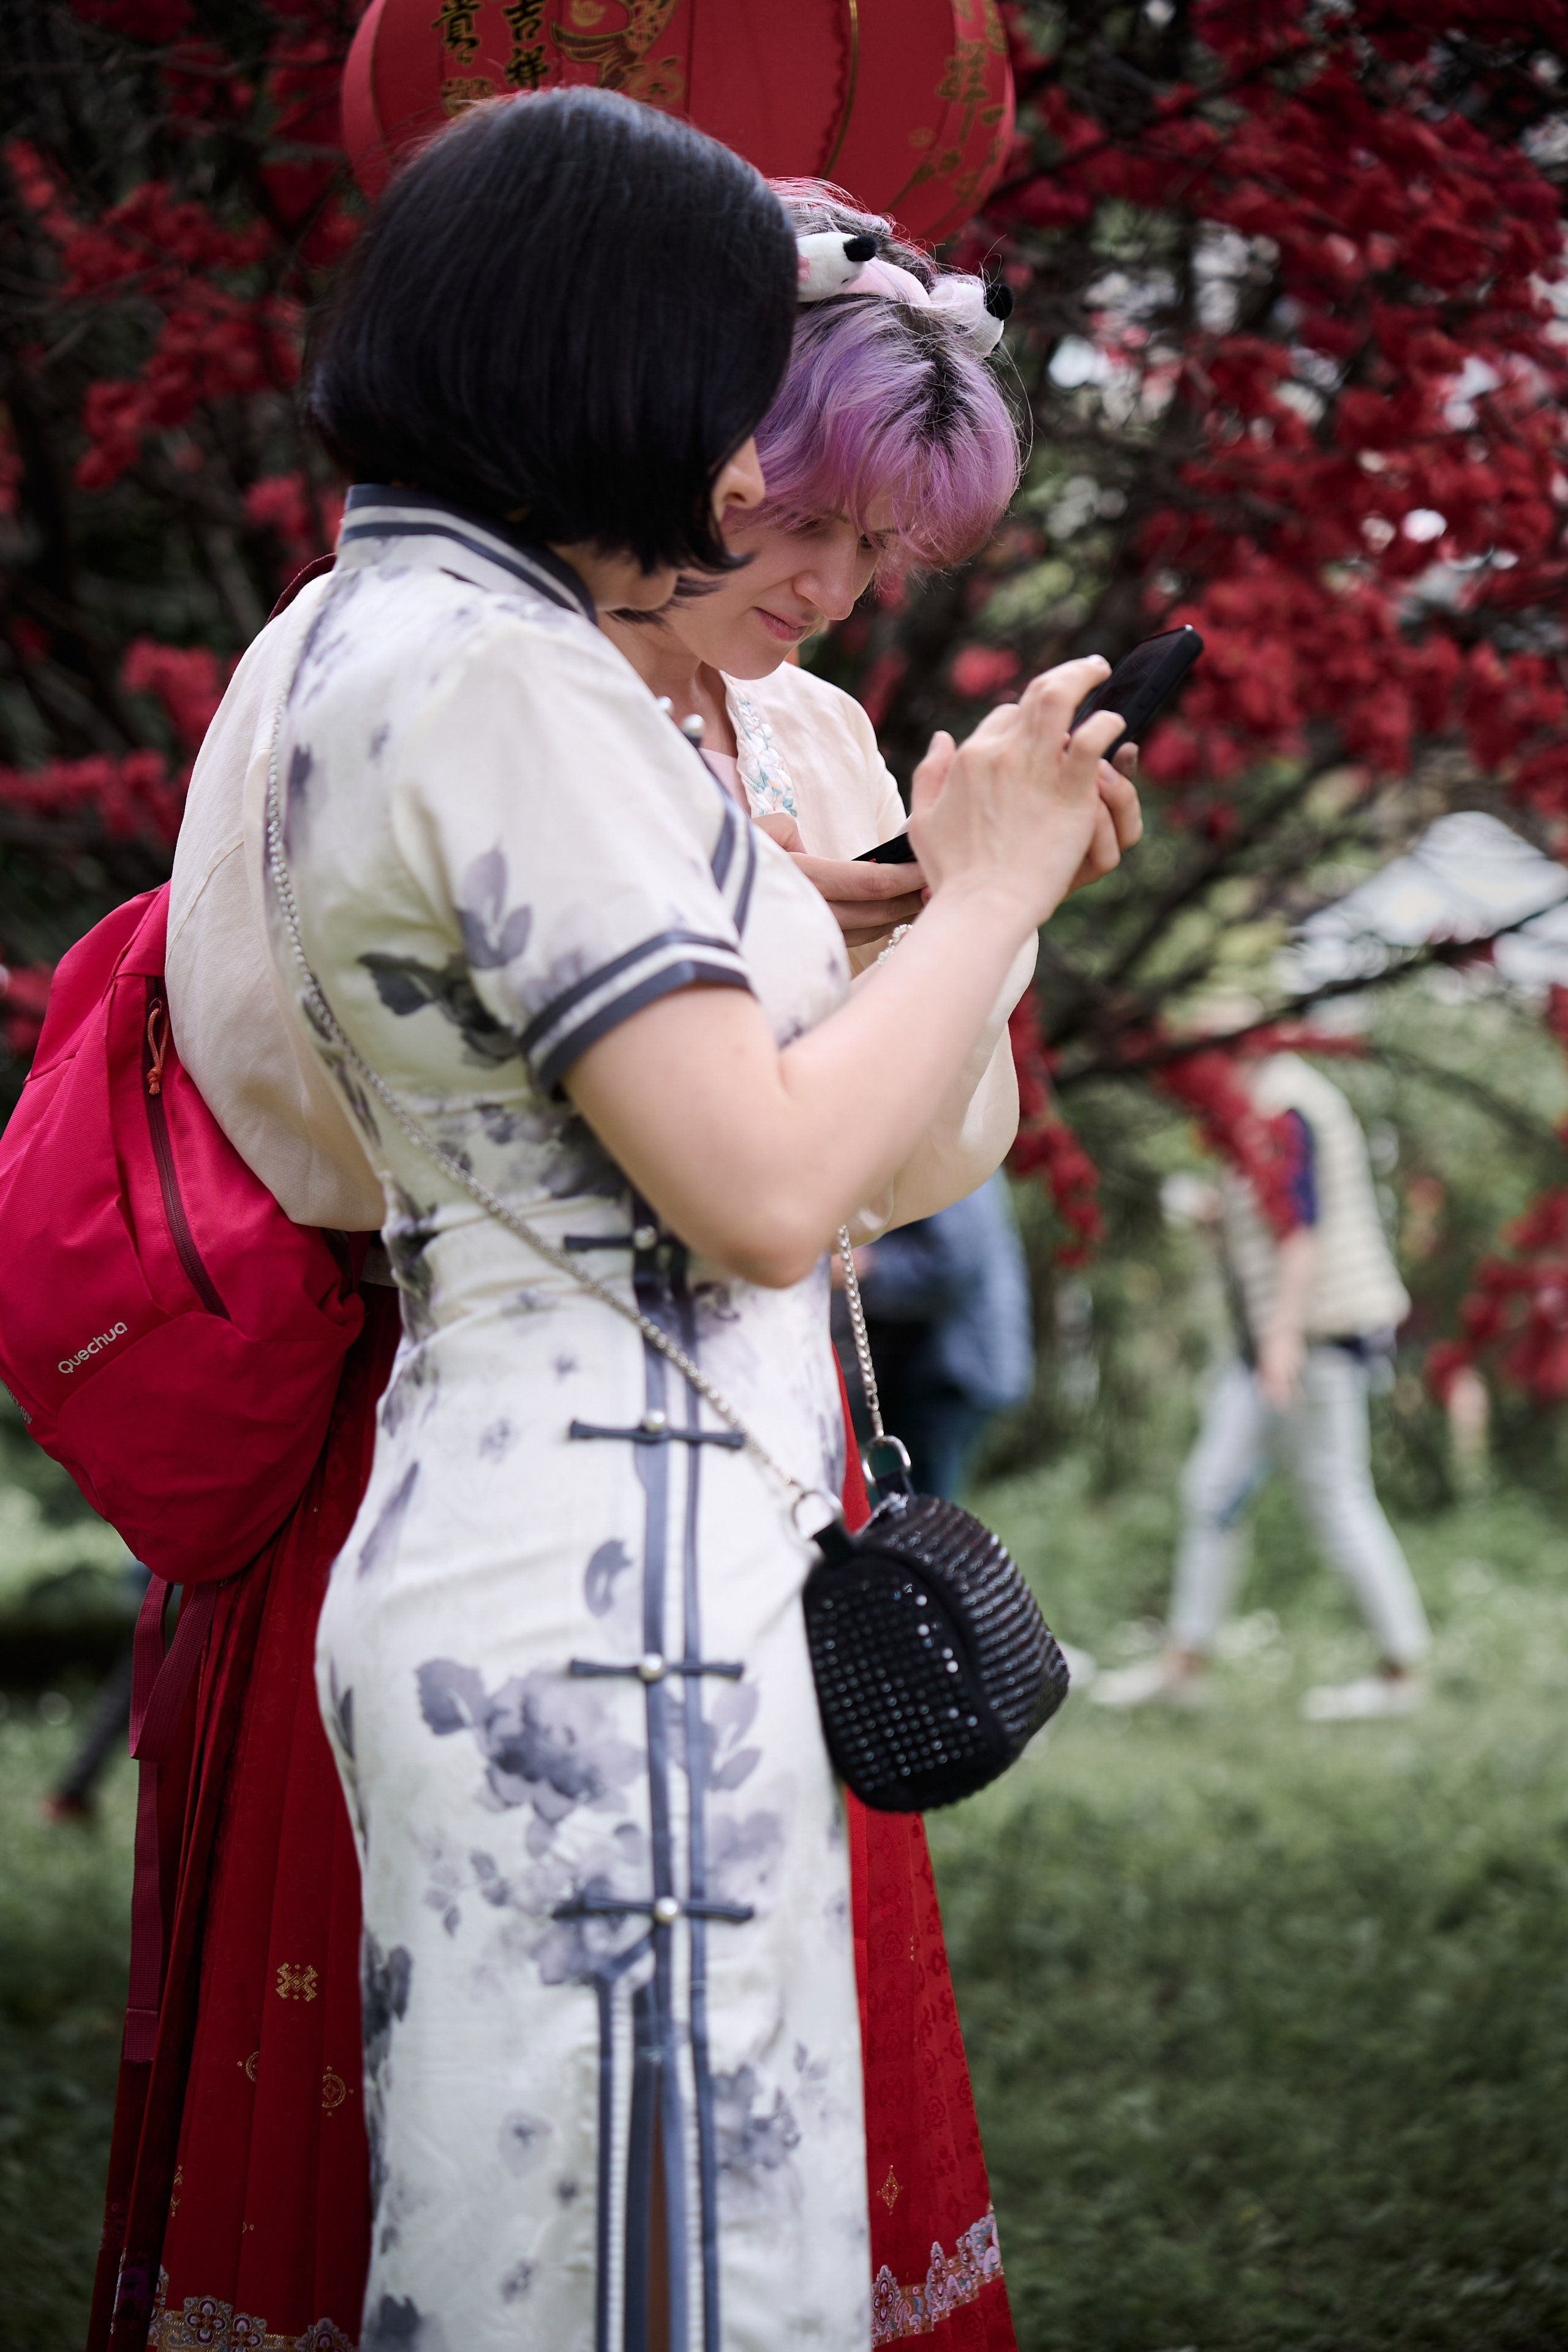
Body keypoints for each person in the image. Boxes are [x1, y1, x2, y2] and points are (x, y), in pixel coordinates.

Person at [92, 100, 1139, 2352]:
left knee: (567, 2260)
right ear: (600, 371)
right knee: (629, 2287)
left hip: (548, 1554)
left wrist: (870, 896)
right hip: (611, 1611)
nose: (754, 481)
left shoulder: (404, 643)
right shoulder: (515, 690)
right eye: (725, 394)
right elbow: (766, 1190)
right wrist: (996, 888)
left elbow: (592, 1021)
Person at [1095, 1041, 1431, 1721]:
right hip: (1272, 1347)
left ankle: (1402, 1671)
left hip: (1313, 1340)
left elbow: (1301, 1231)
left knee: (1335, 1496)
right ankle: (1184, 1665)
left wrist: (1280, 1343)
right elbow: (1273, 1221)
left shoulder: (1288, 1103)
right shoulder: (1259, 1102)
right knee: (1213, 1488)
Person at [835, 1172, 1034, 1501]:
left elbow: (952, 1264)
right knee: (901, 1515)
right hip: (926, 1367)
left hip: (952, 1368)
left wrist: (855, 1266)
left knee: (916, 1521)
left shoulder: (941, 1133)